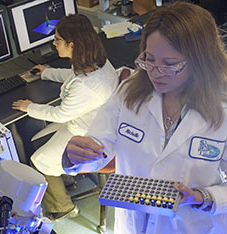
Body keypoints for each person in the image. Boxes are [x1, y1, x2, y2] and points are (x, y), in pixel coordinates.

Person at [64, 2, 227, 233]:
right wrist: (77, 156)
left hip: (193, 225)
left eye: (170, 64)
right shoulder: (130, 91)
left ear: (201, 61)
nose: (156, 72)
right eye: (150, 59)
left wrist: (204, 197)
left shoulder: (223, 107)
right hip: (133, 222)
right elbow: (99, 147)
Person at [12, 14, 119, 221]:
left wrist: (30, 107)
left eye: (57, 40)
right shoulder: (97, 63)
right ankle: (65, 181)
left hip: (88, 136)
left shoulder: (86, 86)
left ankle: (62, 208)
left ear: (71, 45)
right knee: (38, 141)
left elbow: (59, 114)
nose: (54, 44)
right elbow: (72, 76)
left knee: (38, 162)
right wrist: (47, 72)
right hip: (87, 124)